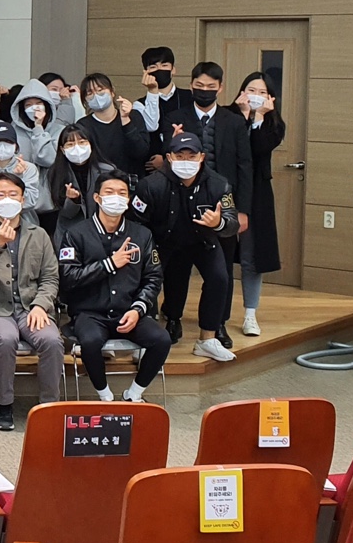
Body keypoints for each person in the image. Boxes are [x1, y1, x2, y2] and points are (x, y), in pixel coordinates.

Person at [57, 170, 172, 402]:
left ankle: (134, 394)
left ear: (128, 199)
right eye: (109, 192)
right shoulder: (75, 234)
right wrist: (109, 264)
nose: (116, 197)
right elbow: (68, 277)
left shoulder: (143, 235)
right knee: (90, 342)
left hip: (128, 311)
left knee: (162, 340)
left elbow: (153, 277)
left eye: (122, 193)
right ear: (97, 198)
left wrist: (138, 309)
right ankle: (105, 396)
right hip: (89, 313)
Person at [163, 61, 253, 349]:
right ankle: (173, 318)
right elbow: (165, 160)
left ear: (220, 88)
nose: (204, 91)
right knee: (177, 267)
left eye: (210, 87)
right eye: (199, 86)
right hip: (181, 203)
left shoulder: (234, 121)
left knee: (221, 270)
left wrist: (242, 211)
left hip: (221, 203)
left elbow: (245, 166)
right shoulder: (175, 117)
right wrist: (171, 141)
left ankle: (218, 324)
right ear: (191, 85)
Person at [0, 171, 62, 430]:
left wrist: (41, 305)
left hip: (30, 306)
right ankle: (4, 404)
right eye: (0, 194)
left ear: (22, 199)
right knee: (5, 338)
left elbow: (50, 276)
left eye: (12, 194)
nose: (6, 199)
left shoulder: (39, 234)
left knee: (51, 340)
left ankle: (49, 406)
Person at [132, 133, 238, 361]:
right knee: (147, 278)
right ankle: (147, 338)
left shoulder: (219, 184)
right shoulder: (150, 185)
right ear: (169, 157)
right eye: (180, 156)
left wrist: (218, 223)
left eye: (191, 156)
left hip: (202, 241)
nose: (186, 162)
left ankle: (207, 339)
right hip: (161, 241)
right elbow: (135, 222)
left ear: (202, 157)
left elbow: (232, 222)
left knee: (219, 277)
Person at [233, 72, 284, 337]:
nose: (256, 96)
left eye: (262, 92)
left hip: (258, 195)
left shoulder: (275, 125)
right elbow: (233, 149)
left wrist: (259, 118)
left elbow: (258, 149)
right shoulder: (228, 116)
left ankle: (250, 314)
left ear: (271, 98)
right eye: (251, 90)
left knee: (251, 256)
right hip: (227, 189)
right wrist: (243, 116)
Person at [8, 79, 65, 230]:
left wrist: (38, 128)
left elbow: (48, 159)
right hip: (22, 203)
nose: (34, 108)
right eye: (28, 105)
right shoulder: (13, 131)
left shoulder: (59, 130)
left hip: (51, 203)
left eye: (38, 103)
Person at [75, 73, 150, 178]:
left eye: (100, 90)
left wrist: (126, 120)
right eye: (90, 93)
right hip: (100, 182)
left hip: (132, 180)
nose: (96, 95)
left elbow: (141, 152)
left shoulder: (133, 116)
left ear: (112, 92)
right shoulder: (83, 125)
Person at [135, 47, 194, 171]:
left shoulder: (190, 97)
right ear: (145, 72)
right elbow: (151, 127)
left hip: (187, 163)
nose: (159, 70)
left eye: (164, 65)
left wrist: (166, 159)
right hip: (152, 169)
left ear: (173, 69)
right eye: (153, 67)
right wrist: (153, 91)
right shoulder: (139, 104)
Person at [45, 125, 115, 227]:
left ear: (90, 144)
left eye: (82, 142)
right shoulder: (56, 172)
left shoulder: (107, 171)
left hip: (102, 226)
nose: (77, 148)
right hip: (71, 229)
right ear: (62, 149)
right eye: (70, 144)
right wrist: (72, 200)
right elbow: (66, 213)